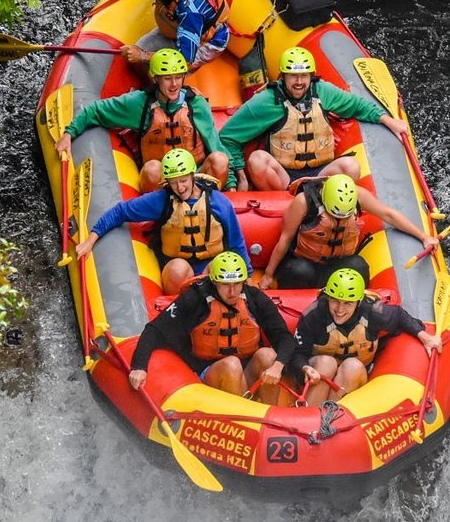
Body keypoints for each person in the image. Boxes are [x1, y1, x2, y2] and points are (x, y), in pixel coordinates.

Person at [218, 46, 415, 191]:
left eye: (304, 76)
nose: (299, 82)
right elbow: (228, 137)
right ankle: (285, 202)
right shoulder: (267, 100)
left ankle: (324, 197)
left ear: (311, 76)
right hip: (283, 178)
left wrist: (388, 121)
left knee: (351, 166)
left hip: (320, 174)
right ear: (282, 77)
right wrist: (239, 176)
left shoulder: (323, 91)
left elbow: (358, 106)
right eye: (293, 76)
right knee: (257, 160)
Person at [76, 148, 249, 295]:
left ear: (192, 176)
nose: (180, 188)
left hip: (212, 267)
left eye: (183, 181)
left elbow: (237, 242)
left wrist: (247, 277)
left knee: (221, 267)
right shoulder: (161, 200)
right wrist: (91, 239)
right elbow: (120, 212)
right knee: (178, 269)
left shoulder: (219, 203)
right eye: (173, 183)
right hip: (178, 269)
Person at [128, 251, 294, 403]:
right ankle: (240, 419)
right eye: (225, 284)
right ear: (214, 282)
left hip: (247, 371)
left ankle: (270, 415)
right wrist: (139, 367)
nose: (232, 291)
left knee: (268, 355)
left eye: (237, 284)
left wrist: (277, 366)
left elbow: (284, 337)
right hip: (209, 373)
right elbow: (154, 330)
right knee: (231, 364)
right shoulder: (194, 298)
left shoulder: (254, 297)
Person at [55, 49, 229, 192]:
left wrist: (233, 184)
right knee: (152, 168)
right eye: (167, 78)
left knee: (220, 160)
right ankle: (162, 214)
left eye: (178, 77)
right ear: (156, 79)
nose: (174, 84)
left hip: (194, 177)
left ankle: (205, 207)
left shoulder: (196, 103)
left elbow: (214, 143)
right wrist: (69, 133)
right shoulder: (139, 103)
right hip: (163, 182)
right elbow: (95, 110)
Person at [289, 268, 443, 407]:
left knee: (352, 366)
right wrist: (305, 368)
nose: (340, 309)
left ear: (358, 302)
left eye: (347, 303)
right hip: (319, 373)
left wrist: (425, 337)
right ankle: (308, 414)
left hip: (353, 375)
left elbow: (399, 316)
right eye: (335, 301)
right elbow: (297, 353)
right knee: (326, 362)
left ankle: (330, 416)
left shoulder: (372, 312)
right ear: (328, 298)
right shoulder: (313, 315)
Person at [259, 174, 439, 290]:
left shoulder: (357, 196)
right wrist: (268, 275)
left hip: (336, 264)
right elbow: (285, 239)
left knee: (358, 265)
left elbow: (389, 215)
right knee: (299, 270)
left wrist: (423, 237)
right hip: (305, 262)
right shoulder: (303, 202)